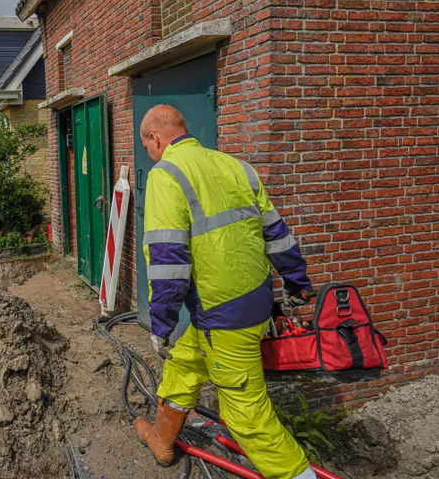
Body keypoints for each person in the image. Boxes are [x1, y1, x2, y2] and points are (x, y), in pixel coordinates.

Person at [135, 104, 317, 479]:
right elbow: (276, 233)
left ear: (155, 138)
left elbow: (168, 261)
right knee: (185, 363)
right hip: (254, 300)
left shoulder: (166, 174)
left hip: (223, 317)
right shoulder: (238, 167)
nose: (150, 153)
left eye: (148, 146)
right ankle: (161, 438)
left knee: (246, 413)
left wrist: (161, 324)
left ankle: (300, 474)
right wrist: (297, 282)